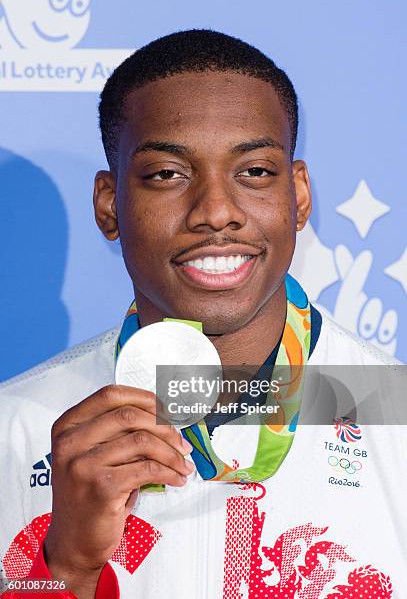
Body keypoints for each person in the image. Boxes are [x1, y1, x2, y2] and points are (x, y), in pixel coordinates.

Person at [0, 30, 405, 599]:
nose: (216, 211)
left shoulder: (397, 413)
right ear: (109, 205)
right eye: (168, 174)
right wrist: (67, 569)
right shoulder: (15, 426)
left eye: (255, 172)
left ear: (300, 196)